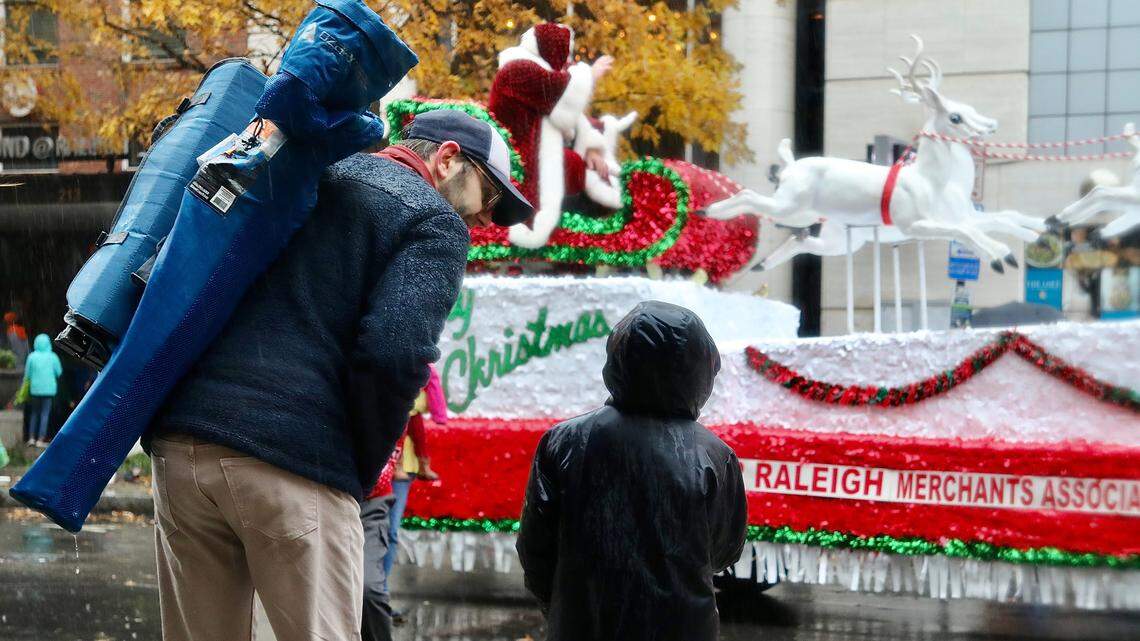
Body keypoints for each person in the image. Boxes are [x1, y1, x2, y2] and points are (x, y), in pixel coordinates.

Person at [146, 109, 531, 641]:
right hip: (293, 457)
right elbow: (394, 353)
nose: (487, 219)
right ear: (447, 160)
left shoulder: (320, 170)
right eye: (489, 197)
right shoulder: (432, 221)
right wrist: (359, 468)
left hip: (183, 442)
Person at [517, 301, 748, 641]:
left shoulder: (564, 441)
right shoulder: (715, 456)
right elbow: (725, 549)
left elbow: (536, 547)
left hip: (583, 624)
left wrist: (563, 608)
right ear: (700, 370)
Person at [488, 22, 614, 247]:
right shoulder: (518, 70)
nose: (567, 62)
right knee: (577, 170)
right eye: (564, 53)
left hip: (533, 159)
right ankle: (586, 239)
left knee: (590, 171)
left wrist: (592, 146)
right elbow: (559, 92)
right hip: (518, 162)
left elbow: (569, 114)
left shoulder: (533, 71)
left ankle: (594, 235)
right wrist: (590, 74)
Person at [383, 363, 448, 626]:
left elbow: (419, 407)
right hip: (372, 462)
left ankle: (378, 596)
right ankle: (360, 595)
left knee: (390, 532)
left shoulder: (418, 367)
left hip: (403, 465)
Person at [23, 334, 62, 447]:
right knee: (44, 414)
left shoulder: (32, 357)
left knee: (34, 413)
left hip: (35, 390)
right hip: (49, 390)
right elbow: (59, 372)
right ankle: (40, 439)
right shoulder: (53, 356)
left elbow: (27, 375)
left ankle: (31, 438)